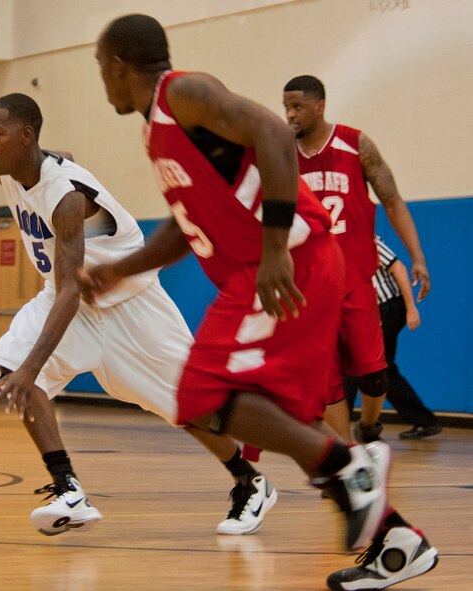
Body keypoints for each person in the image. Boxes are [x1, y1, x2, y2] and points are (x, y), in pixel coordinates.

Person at [91, 14, 436, 590]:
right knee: (282, 415)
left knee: (201, 395)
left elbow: (275, 134)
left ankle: (353, 466)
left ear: (120, 66)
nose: (101, 80)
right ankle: (398, 543)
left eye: (101, 68)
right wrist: (118, 271)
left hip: (284, 263)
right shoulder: (157, 132)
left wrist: (275, 246)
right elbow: (184, 228)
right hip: (269, 271)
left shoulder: (184, 93)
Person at [0, 93, 277, 537]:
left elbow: (68, 287)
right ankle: (69, 490)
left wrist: (33, 368)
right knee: (8, 367)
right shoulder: (15, 169)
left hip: (129, 305)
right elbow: (61, 162)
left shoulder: (66, 198)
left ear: (25, 137)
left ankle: (250, 480)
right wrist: (23, 370)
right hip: (69, 302)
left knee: (188, 405)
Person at [283, 75, 431, 444]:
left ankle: (368, 425)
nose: (289, 115)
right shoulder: (282, 153)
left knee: (374, 374)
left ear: (320, 106)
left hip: (355, 283)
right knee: (329, 380)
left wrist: (417, 257)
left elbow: (393, 200)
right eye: (285, 107)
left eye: (297, 107)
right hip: (311, 288)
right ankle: (349, 453)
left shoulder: (356, 144)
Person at [344, 236, 441, 440]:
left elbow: (399, 268)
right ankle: (423, 420)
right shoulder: (339, 244)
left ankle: (343, 426)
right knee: (381, 367)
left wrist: (411, 309)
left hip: (388, 307)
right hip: (374, 311)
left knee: (361, 364)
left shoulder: (367, 239)